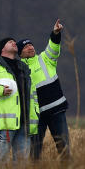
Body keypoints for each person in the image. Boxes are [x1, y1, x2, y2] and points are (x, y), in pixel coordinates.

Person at [0, 37, 39, 162]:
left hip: (25, 123)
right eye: (10, 42)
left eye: (14, 41)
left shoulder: (23, 67)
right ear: (2, 49)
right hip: (5, 123)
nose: (14, 43)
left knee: (22, 163)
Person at [19, 18, 70, 159]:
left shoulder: (44, 58)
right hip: (35, 116)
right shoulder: (18, 69)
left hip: (56, 110)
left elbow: (53, 47)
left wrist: (55, 33)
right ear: (20, 53)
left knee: (64, 146)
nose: (30, 47)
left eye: (31, 44)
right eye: (25, 46)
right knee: (34, 151)